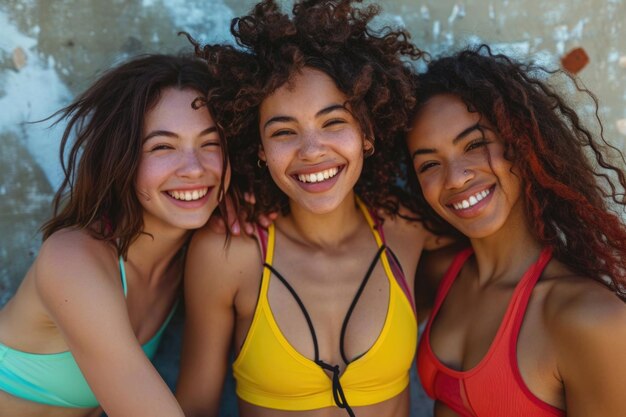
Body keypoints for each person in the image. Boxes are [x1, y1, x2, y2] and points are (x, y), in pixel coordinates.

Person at [176, 1, 447, 416]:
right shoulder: (228, 253)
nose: (312, 151)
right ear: (260, 151)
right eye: (283, 131)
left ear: (367, 132)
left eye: (333, 122)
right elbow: (195, 407)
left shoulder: (406, 227)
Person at [0, 54, 230, 417]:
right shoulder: (73, 260)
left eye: (211, 143)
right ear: (121, 158)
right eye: (162, 147)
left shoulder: (196, 257)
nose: (194, 169)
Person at [406, 46, 626, 416]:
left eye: (475, 144)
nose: (456, 178)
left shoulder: (591, 319)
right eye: (429, 163)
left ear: (522, 145)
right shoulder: (439, 272)